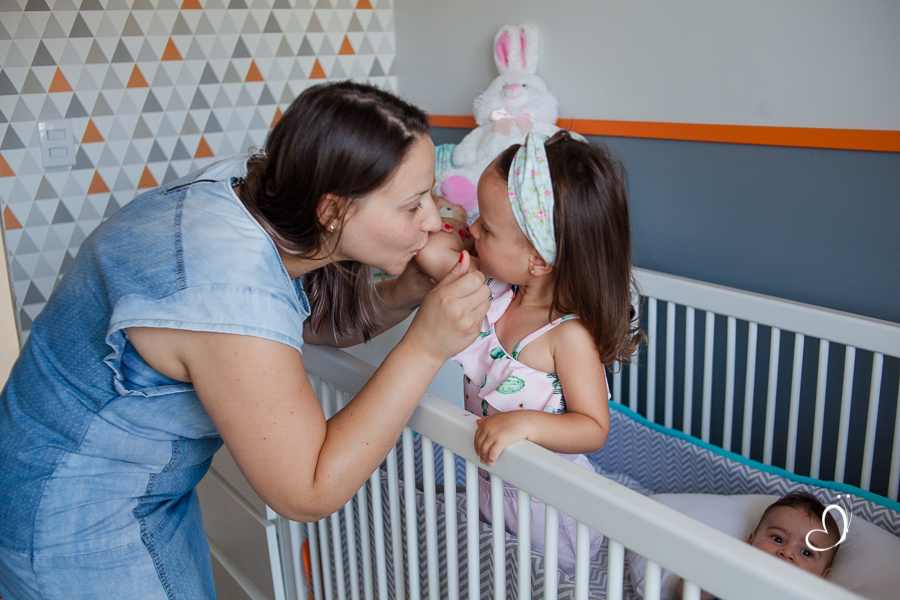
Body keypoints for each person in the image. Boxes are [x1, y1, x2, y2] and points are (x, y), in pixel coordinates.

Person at [0, 81, 491, 599]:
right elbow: (307, 490)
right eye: (413, 205)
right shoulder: (229, 284)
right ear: (331, 211)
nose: (435, 219)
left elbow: (291, 322)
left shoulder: (251, 187)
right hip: (77, 516)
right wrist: (425, 346)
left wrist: (404, 291)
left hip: (88, 476)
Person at [416, 130, 643, 575]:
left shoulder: (568, 337)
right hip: (493, 490)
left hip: (548, 509)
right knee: (495, 569)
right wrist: (466, 233)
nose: (473, 228)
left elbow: (593, 428)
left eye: (487, 226)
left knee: (540, 580)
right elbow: (430, 251)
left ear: (538, 260)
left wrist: (525, 424)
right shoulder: (493, 290)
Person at [676, 491, 841, 599]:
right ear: (751, 541)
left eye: (806, 553)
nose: (787, 552)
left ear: (823, 576)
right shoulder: (736, 577)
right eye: (778, 539)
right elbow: (686, 593)